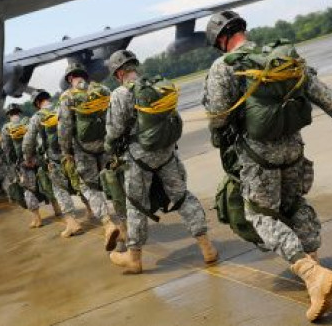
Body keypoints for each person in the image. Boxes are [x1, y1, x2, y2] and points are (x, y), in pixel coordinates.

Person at [202, 10, 332, 322]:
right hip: (294, 150)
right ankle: (316, 272)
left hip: (258, 158)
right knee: (294, 204)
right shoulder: (280, 58)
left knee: (260, 215)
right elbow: (321, 92)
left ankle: (312, 276)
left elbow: (217, 117)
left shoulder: (222, 68)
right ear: (242, 30)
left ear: (221, 40)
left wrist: (220, 140)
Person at [105, 50, 218, 274]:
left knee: (135, 204)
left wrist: (109, 147)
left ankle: (134, 257)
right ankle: (208, 248)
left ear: (118, 73)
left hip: (139, 158)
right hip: (167, 152)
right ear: (135, 67)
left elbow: (115, 130)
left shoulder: (119, 94)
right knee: (182, 196)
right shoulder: (157, 85)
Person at [58, 62, 122, 251]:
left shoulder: (68, 96)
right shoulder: (102, 89)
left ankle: (108, 223)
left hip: (83, 150)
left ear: (70, 78)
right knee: (114, 182)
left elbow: (64, 128)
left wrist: (66, 151)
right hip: (106, 145)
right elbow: (114, 115)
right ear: (84, 75)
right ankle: (125, 223)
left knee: (89, 186)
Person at [23, 89, 84, 238]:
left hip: (55, 160)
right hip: (71, 155)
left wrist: (28, 157)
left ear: (37, 103)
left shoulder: (37, 117)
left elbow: (29, 141)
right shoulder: (60, 107)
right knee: (80, 184)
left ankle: (72, 223)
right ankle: (93, 211)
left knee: (60, 190)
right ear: (48, 98)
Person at [1, 104, 43, 228]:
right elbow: (37, 139)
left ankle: (37, 218)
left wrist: (14, 163)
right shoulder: (27, 122)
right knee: (45, 182)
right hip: (36, 159)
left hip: (22, 163)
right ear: (19, 113)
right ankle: (57, 209)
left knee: (27, 189)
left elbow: (6, 148)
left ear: (9, 115)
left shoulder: (6, 128)